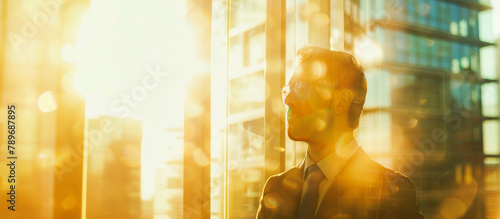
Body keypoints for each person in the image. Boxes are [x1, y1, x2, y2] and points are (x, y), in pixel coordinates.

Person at [256, 46, 423, 219]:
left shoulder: (390, 191)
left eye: (301, 87)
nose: (288, 99)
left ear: (341, 101)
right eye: (288, 89)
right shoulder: (274, 188)